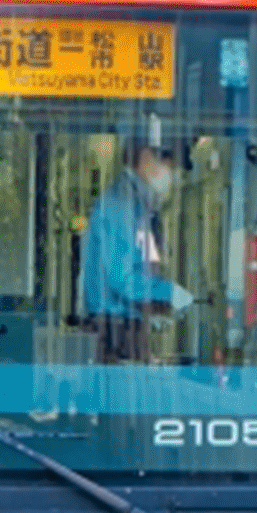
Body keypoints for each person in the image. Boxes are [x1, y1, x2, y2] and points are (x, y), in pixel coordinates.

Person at [83, 135, 195, 361]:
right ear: (145, 158)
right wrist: (169, 292)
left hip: (124, 327)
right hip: (115, 331)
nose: (173, 173)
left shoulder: (139, 205)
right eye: (170, 163)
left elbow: (141, 263)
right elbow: (122, 278)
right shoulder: (121, 204)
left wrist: (155, 306)